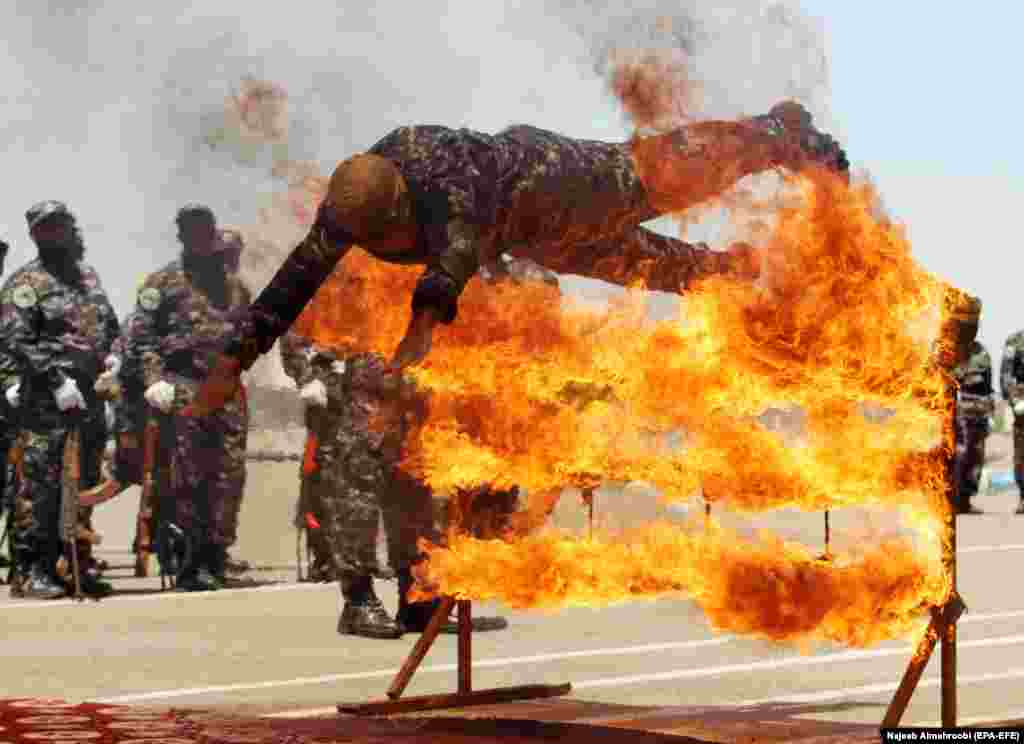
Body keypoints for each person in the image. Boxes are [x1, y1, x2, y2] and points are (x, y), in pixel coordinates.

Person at [187, 101, 847, 412]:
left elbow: (459, 246)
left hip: (568, 181)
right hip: (541, 237)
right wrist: (232, 360)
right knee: (671, 273)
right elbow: (295, 278)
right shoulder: (351, 204)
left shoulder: (432, 166)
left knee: (676, 173)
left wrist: (422, 327)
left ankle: (779, 133)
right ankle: (740, 270)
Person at [122, 205, 250, 591]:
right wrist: (153, 380)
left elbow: (251, 333)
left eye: (203, 229)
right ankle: (191, 562)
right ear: (181, 236)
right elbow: (140, 339)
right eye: (190, 230)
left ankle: (216, 554)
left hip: (226, 392)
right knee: (189, 476)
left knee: (228, 477)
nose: (198, 236)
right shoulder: (161, 283)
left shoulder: (234, 288)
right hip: (183, 387)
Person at [0, 201, 119, 598]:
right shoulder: (26, 282)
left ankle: (74, 563)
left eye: (61, 225)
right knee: (42, 484)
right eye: (46, 228)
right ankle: (33, 569)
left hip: (89, 397)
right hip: (47, 400)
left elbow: (110, 324)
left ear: (72, 228)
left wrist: (114, 357)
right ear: (35, 235)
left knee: (84, 481)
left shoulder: (87, 277)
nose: (56, 233)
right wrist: (53, 379)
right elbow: (14, 338)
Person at [952, 334, 994, 514]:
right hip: (961, 413)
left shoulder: (981, 352)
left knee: (976, 457)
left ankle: (966, 500)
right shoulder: (951, 350)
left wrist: (990, 409)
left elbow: (987, 384)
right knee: (961, 456)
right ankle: (954, 499)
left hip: (980, 412)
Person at [1000, 329, 1024, 514]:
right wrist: (1014, 400)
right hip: (1023, 405)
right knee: (1022, 455)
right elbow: (1006, 375)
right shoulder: (1016, 341)